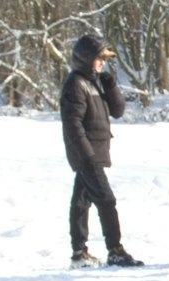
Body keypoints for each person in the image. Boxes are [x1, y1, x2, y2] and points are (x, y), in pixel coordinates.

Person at [60, 33, 142, 267]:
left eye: (104, 59)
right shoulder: (76, 83)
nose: (102, 63)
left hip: (96, 151)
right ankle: (115, 249)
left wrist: (111, 86)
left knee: (81, 202)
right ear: (86, 58)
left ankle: (79, 253)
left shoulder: (95, 82)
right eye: (99, 58)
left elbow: (118, 111)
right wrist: (86, 155)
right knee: (106, 200)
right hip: (87, 154)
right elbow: (72, 123)